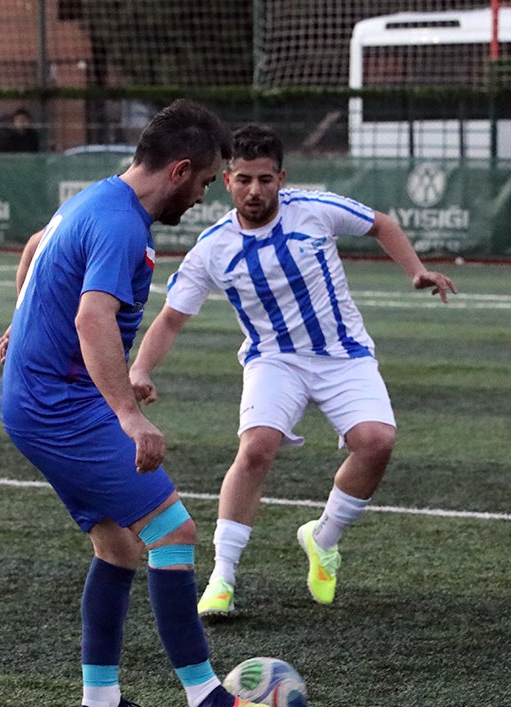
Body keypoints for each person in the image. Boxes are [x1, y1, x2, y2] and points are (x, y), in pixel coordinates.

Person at [0, 100, 274, 707]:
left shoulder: (95, 199)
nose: (204, 196)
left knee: (117, 547)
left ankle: (101, 704)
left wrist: (23, 319)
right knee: (173, 530)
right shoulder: (122, 224)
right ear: (179, 170)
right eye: (206, 181)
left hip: (42, 399)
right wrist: (128, 414)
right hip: (60, 406)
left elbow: (37, 246)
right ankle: (206, 698)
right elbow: (92, 317)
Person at [128, 124, 458, 616]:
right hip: (273, 359)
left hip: (342, 353)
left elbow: (381, 224)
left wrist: (416, 271)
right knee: (256, 448)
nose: (254, 190)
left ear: (281, 179)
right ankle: (222, 578)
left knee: (377, 442)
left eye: (265, 179)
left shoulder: (314, 210)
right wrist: (141, 368)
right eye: (243, 179)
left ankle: (323, 537)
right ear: (227, 181)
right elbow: (171, 319)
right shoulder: (213, 247)